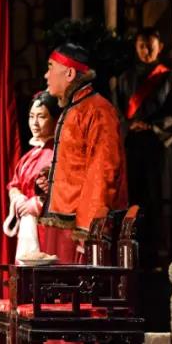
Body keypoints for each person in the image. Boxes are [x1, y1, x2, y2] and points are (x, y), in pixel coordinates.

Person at [3, 91, 84, 344]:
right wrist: (17, 198)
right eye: (31, 116)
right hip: (31, 234)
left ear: (55, 119)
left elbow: (69, 190)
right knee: (30, 298)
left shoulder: (60, 154)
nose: (35, 123)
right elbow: (14, 182)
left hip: (52, 235)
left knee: (51, 301)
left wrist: (36, 203)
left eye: (42, 117)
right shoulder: (31, 155)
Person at [41, 43, 127, 238]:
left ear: (69, 73)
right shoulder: (75, 108)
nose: (46, 75)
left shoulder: (97, 110)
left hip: (83, 228)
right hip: (67, 222)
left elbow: (103, 172)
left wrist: (88, 230)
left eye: (50, 67)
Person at [117, 27, 172, 263]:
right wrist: (128, 125)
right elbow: (116, 112)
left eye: (151, 46)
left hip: (158, 145)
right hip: (132, 144)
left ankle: (162, 253)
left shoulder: (169, 78)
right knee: (134, 198)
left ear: (159, 47)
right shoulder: (123, 79)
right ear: (136, 47)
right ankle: (134, 254)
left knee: (160, 196)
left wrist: (153, 126)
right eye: (142, 46)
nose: (146, 51)